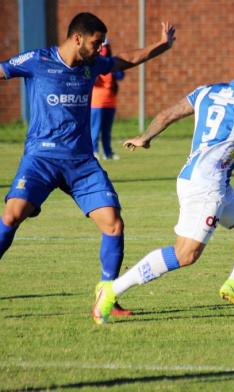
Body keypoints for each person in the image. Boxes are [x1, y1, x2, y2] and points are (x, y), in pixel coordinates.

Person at [92, 50, 234, 324]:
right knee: (185, 254)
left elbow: (169, 113)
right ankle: (111, 290)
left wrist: (145, 137)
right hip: (207, 189)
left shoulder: (207, 91)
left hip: (201, 181)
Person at [0, 12, 175, 316]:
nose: (100, 49)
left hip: (81, 162)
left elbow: (125, 60)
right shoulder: (37, 60)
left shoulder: (92, 65)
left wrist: (161, 45)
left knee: (113, 223)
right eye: (96, 43)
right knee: (12, 215)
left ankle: (107, 294)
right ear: (77, 38)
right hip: (41, 159)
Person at [91, 38, 124, 160]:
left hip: (110, 102)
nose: (103, 50)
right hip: (96, 102)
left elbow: (121, 75)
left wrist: (111, 69)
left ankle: (107, 152)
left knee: (107, 130)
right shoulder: (93, 62)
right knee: (95, 129)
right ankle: (94, 151)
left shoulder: (111, 62)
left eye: (106, 47)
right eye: (101, 47)